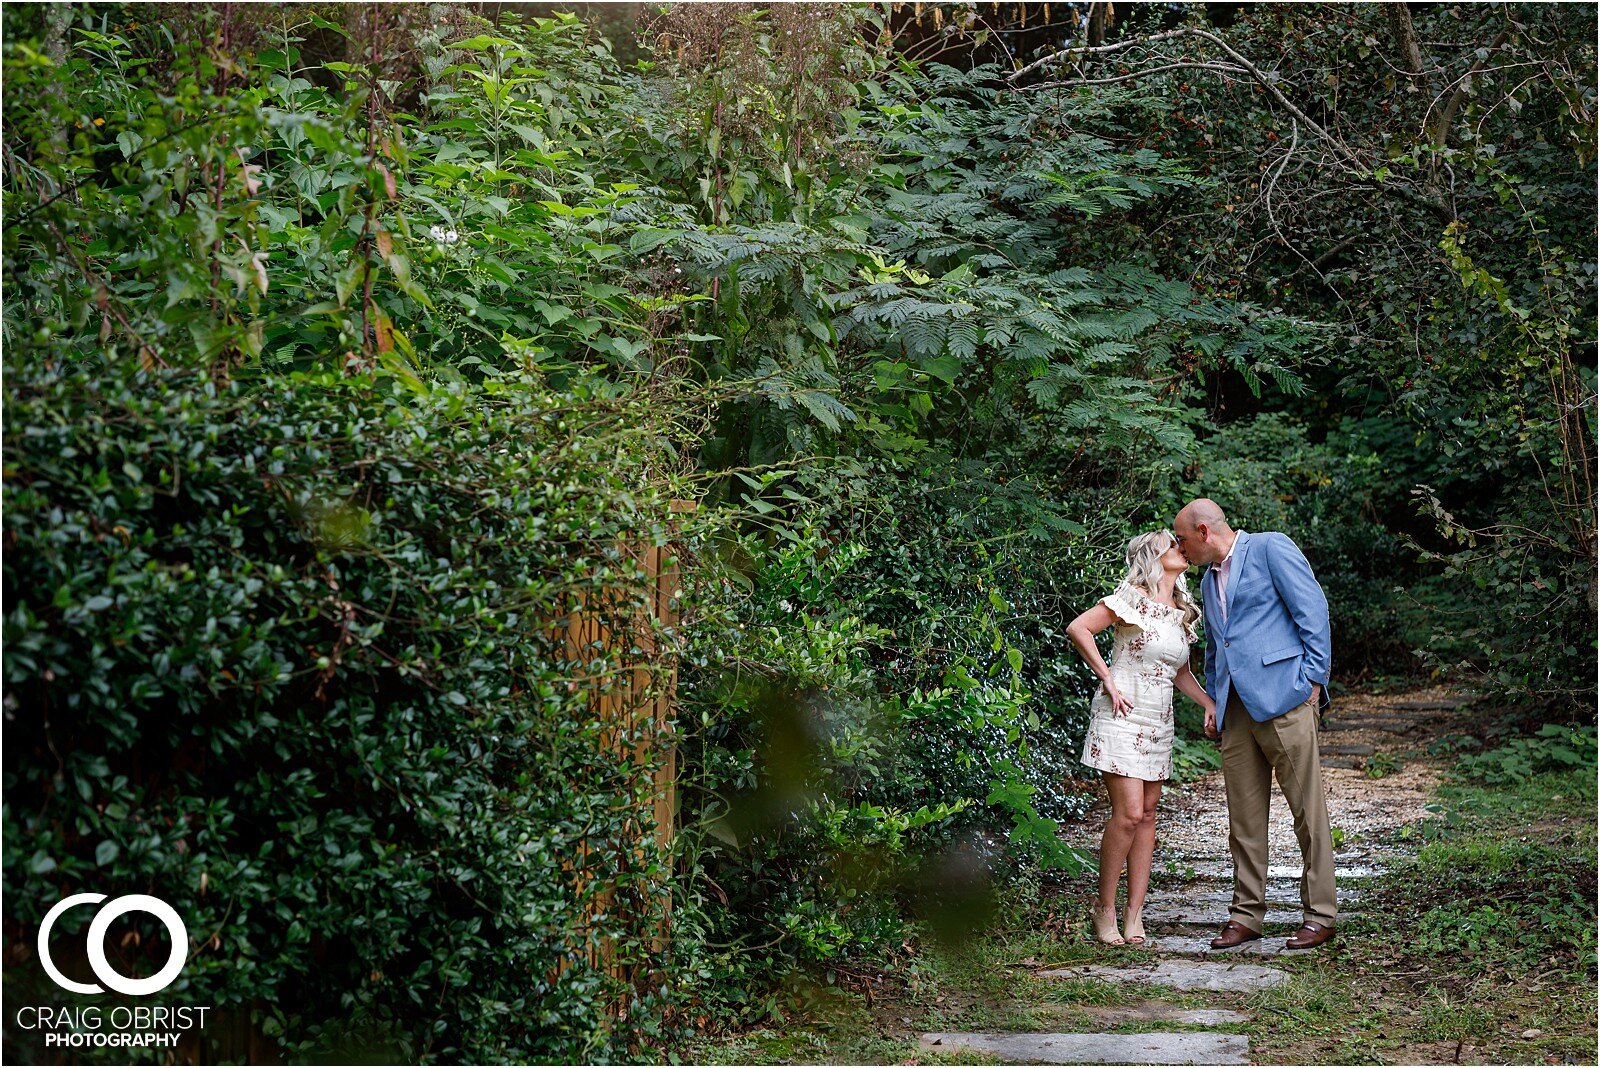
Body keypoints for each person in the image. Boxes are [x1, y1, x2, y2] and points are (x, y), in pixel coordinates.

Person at [1172, 498, 1338, 951]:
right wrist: (1214, 701)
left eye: (1183, 541)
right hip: (1235, 710)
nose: (1180, 550)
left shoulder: (1270, 549)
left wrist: (1313, 681)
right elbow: (1216, 644)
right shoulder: (1206, 581)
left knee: (1308, 812)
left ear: (1204, 532)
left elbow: (1313, 611)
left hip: (1285, 698)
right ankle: (1247, 915)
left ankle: (1321, 915)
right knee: (1243, 820)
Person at [1068, 530, 1217, 945]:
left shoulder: (1182, 610)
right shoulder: (1130, 597)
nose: (1181, 550)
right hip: (1121, 716)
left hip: (1158, 720)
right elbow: (1079, 629)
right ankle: (1105, 909)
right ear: (1155, 556)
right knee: (1130, 814)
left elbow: (1179, 672)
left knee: (1149, 815)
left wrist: (1207, 703)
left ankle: (1135, 914)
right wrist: (1108, 680)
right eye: (1173, 546)